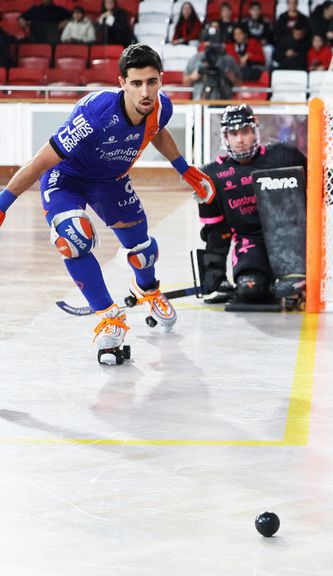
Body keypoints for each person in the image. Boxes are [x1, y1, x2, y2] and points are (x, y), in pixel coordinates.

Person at [0, 44, 215, 365]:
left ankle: (148, 290)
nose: (146, 91)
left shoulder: (160, 106)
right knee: (73, 238)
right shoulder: (95, 115)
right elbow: (40, 161)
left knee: (143, 250)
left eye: (152, 82)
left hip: (111, 180)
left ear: (160, 81)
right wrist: (4, 203)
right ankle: (108, 315)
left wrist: (184, 168)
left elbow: (156, 131)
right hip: (67, 178)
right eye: (137, 83)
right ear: (122, 83)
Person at [197, 105, 308, 305]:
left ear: (255, 131)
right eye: (233, 133)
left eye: (245, 132)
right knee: (250, 290)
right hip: (250, 242)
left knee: (291, 288)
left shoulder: (283, 156)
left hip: (290, 240)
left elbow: (319, 188)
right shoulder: (211, 175)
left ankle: (289, 280)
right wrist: (215, 277)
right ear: (225, 137)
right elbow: (216, 231)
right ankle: (267, 284)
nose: (239, 140)